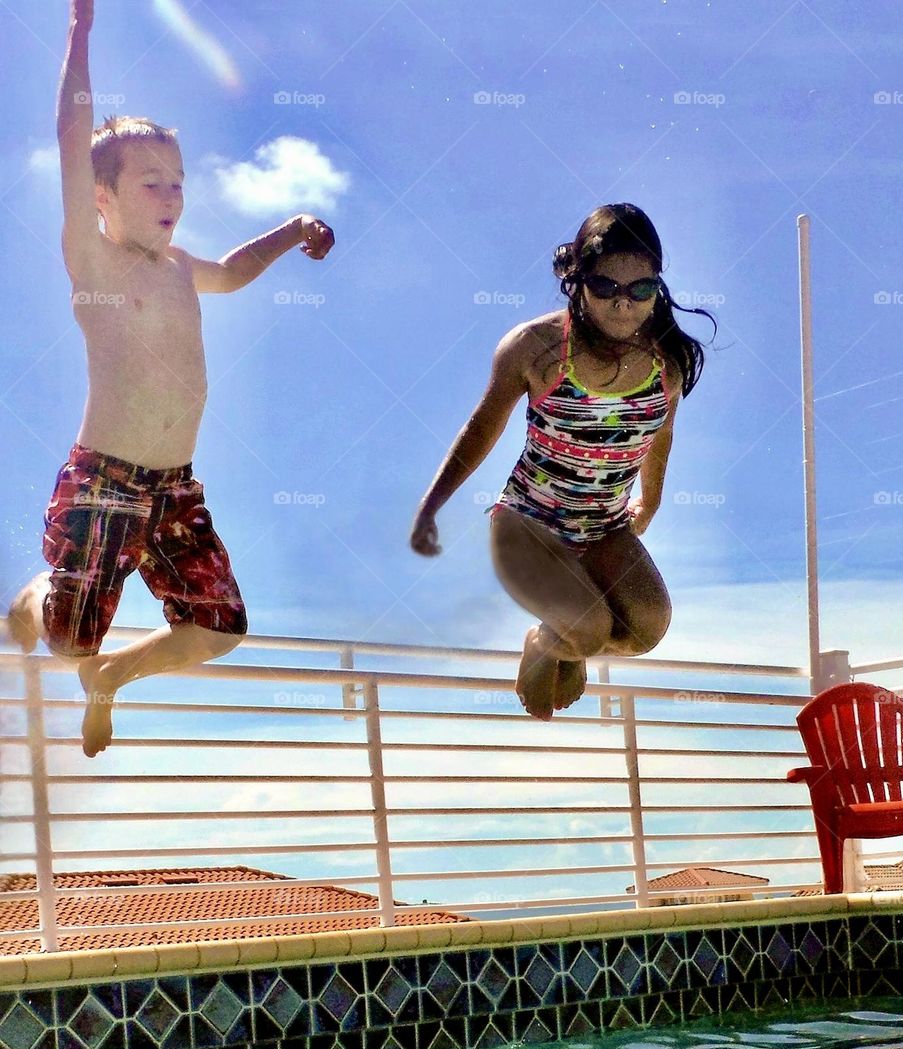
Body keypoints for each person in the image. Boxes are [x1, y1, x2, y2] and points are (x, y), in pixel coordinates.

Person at [6, 0, 334, 757]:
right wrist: (80, 32)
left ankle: (112, 676)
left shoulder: (184, 269)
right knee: (66, 638)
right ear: (103, 196)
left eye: (178, 183)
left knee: (219, 625)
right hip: (104, 481)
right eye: (150, 183)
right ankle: (35, 598)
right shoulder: (92, 259)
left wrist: (292, 229)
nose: (171, 197)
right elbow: (70, 136)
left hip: (176, 490)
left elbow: (236, 271)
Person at [410, 203, 717, 720]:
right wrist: (430, 506)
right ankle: (556, 641)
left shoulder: (667, 363)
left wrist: (652, 502)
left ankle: (561, 644)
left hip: (604, 528)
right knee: (591, 627)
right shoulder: (536, 348)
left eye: (641, 289)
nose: (623, 304)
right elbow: (481, 428)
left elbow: (661, 434)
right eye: (606, 286)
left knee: (647, 628)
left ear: (657, 287)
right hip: (526, 525)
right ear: (578, 281)